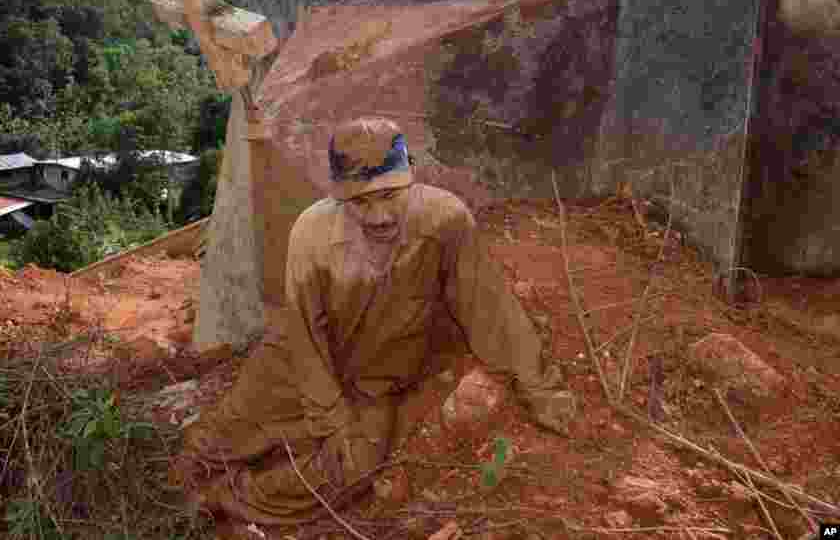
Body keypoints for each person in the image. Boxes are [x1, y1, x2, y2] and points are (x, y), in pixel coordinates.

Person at [174, 116, 576, 525]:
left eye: (389, 196)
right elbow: (302, 335)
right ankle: (177, 498)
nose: (379, 216)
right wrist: (332, 419)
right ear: (339, 196)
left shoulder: (445, 220)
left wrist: (541, 388)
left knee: (355, 468)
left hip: (375, 381)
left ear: (409, 180)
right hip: (294, 364)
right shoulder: (312, 235)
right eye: (361, 201)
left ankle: (231, 499)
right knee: (216, 441)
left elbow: (490, 310)